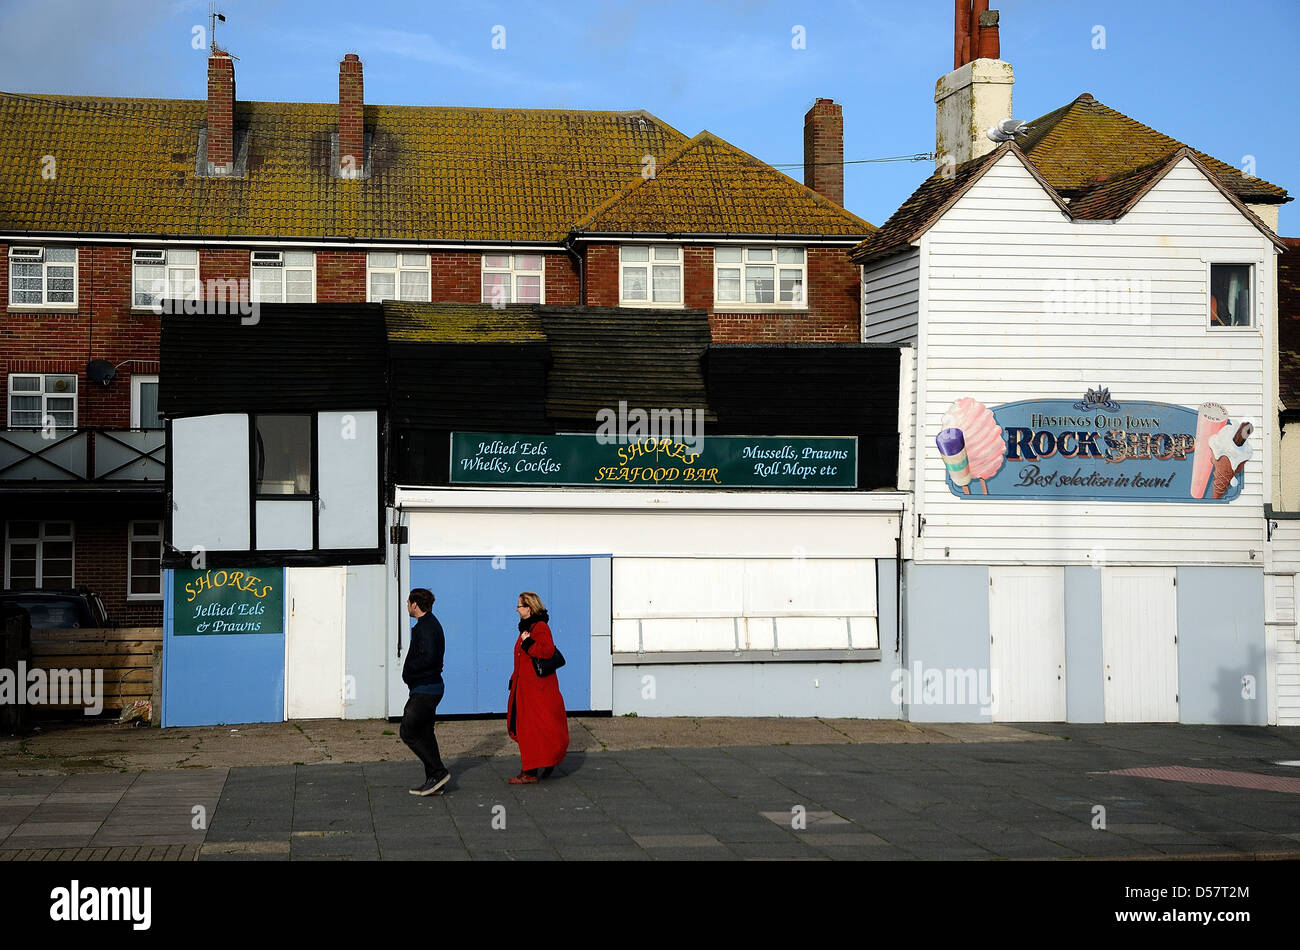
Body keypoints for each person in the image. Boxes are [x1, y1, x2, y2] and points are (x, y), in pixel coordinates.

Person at [506, 591, 569, 784]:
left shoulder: (540, 627)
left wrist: (528, 643)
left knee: (530, 729)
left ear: (529, 608)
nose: (516, 609)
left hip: (536, 689)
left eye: (519, 606)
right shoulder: (528, 627)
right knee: (528, 727)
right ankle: (542, 762)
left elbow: (547, 651)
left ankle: (530, 772)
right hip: (525, 687)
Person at [400, 587, 450, 796]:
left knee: (408, 731)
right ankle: (434, 780)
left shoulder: (426, 627)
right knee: (425, 732)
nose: (407, 606)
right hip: (427, 687)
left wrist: (410, 670)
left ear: (415, 604)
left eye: (408, 602)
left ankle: (438, 772)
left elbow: (429, 657)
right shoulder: (428, 624)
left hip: (426, 689)